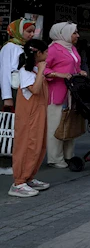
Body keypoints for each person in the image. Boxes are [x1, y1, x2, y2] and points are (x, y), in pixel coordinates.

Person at [8, 40, 50, 198]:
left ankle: (29, 177)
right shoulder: (25, 71)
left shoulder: (33, 70)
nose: (47, 56)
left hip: (38, 115)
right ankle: (18, 182)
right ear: (38, 53)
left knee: (38, 146)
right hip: (29, 117)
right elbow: (36, 89)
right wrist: (41, 71)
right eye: (45, 52)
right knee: (27, 146)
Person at [44, 22, 86, 168]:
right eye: (74, 32)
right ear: (64, 33)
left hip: (72, 92)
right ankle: (55, 158)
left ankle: (68, 155)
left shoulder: (72, 48)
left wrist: (79, 72)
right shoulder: (53, 49)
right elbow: (43, 68)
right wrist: (58, 74)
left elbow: (75, 66)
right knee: (56, 125)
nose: (77, 35)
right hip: (57, 92)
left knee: (69, 123)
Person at [1, 18, 37, 112]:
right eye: (29, 31)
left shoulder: (27, 47)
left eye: (33, 31)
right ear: (20, 31)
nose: (32, 34)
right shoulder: (9, 47)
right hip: (15, 90)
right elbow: (4, 73)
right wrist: (7, 97)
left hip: (25, 89)